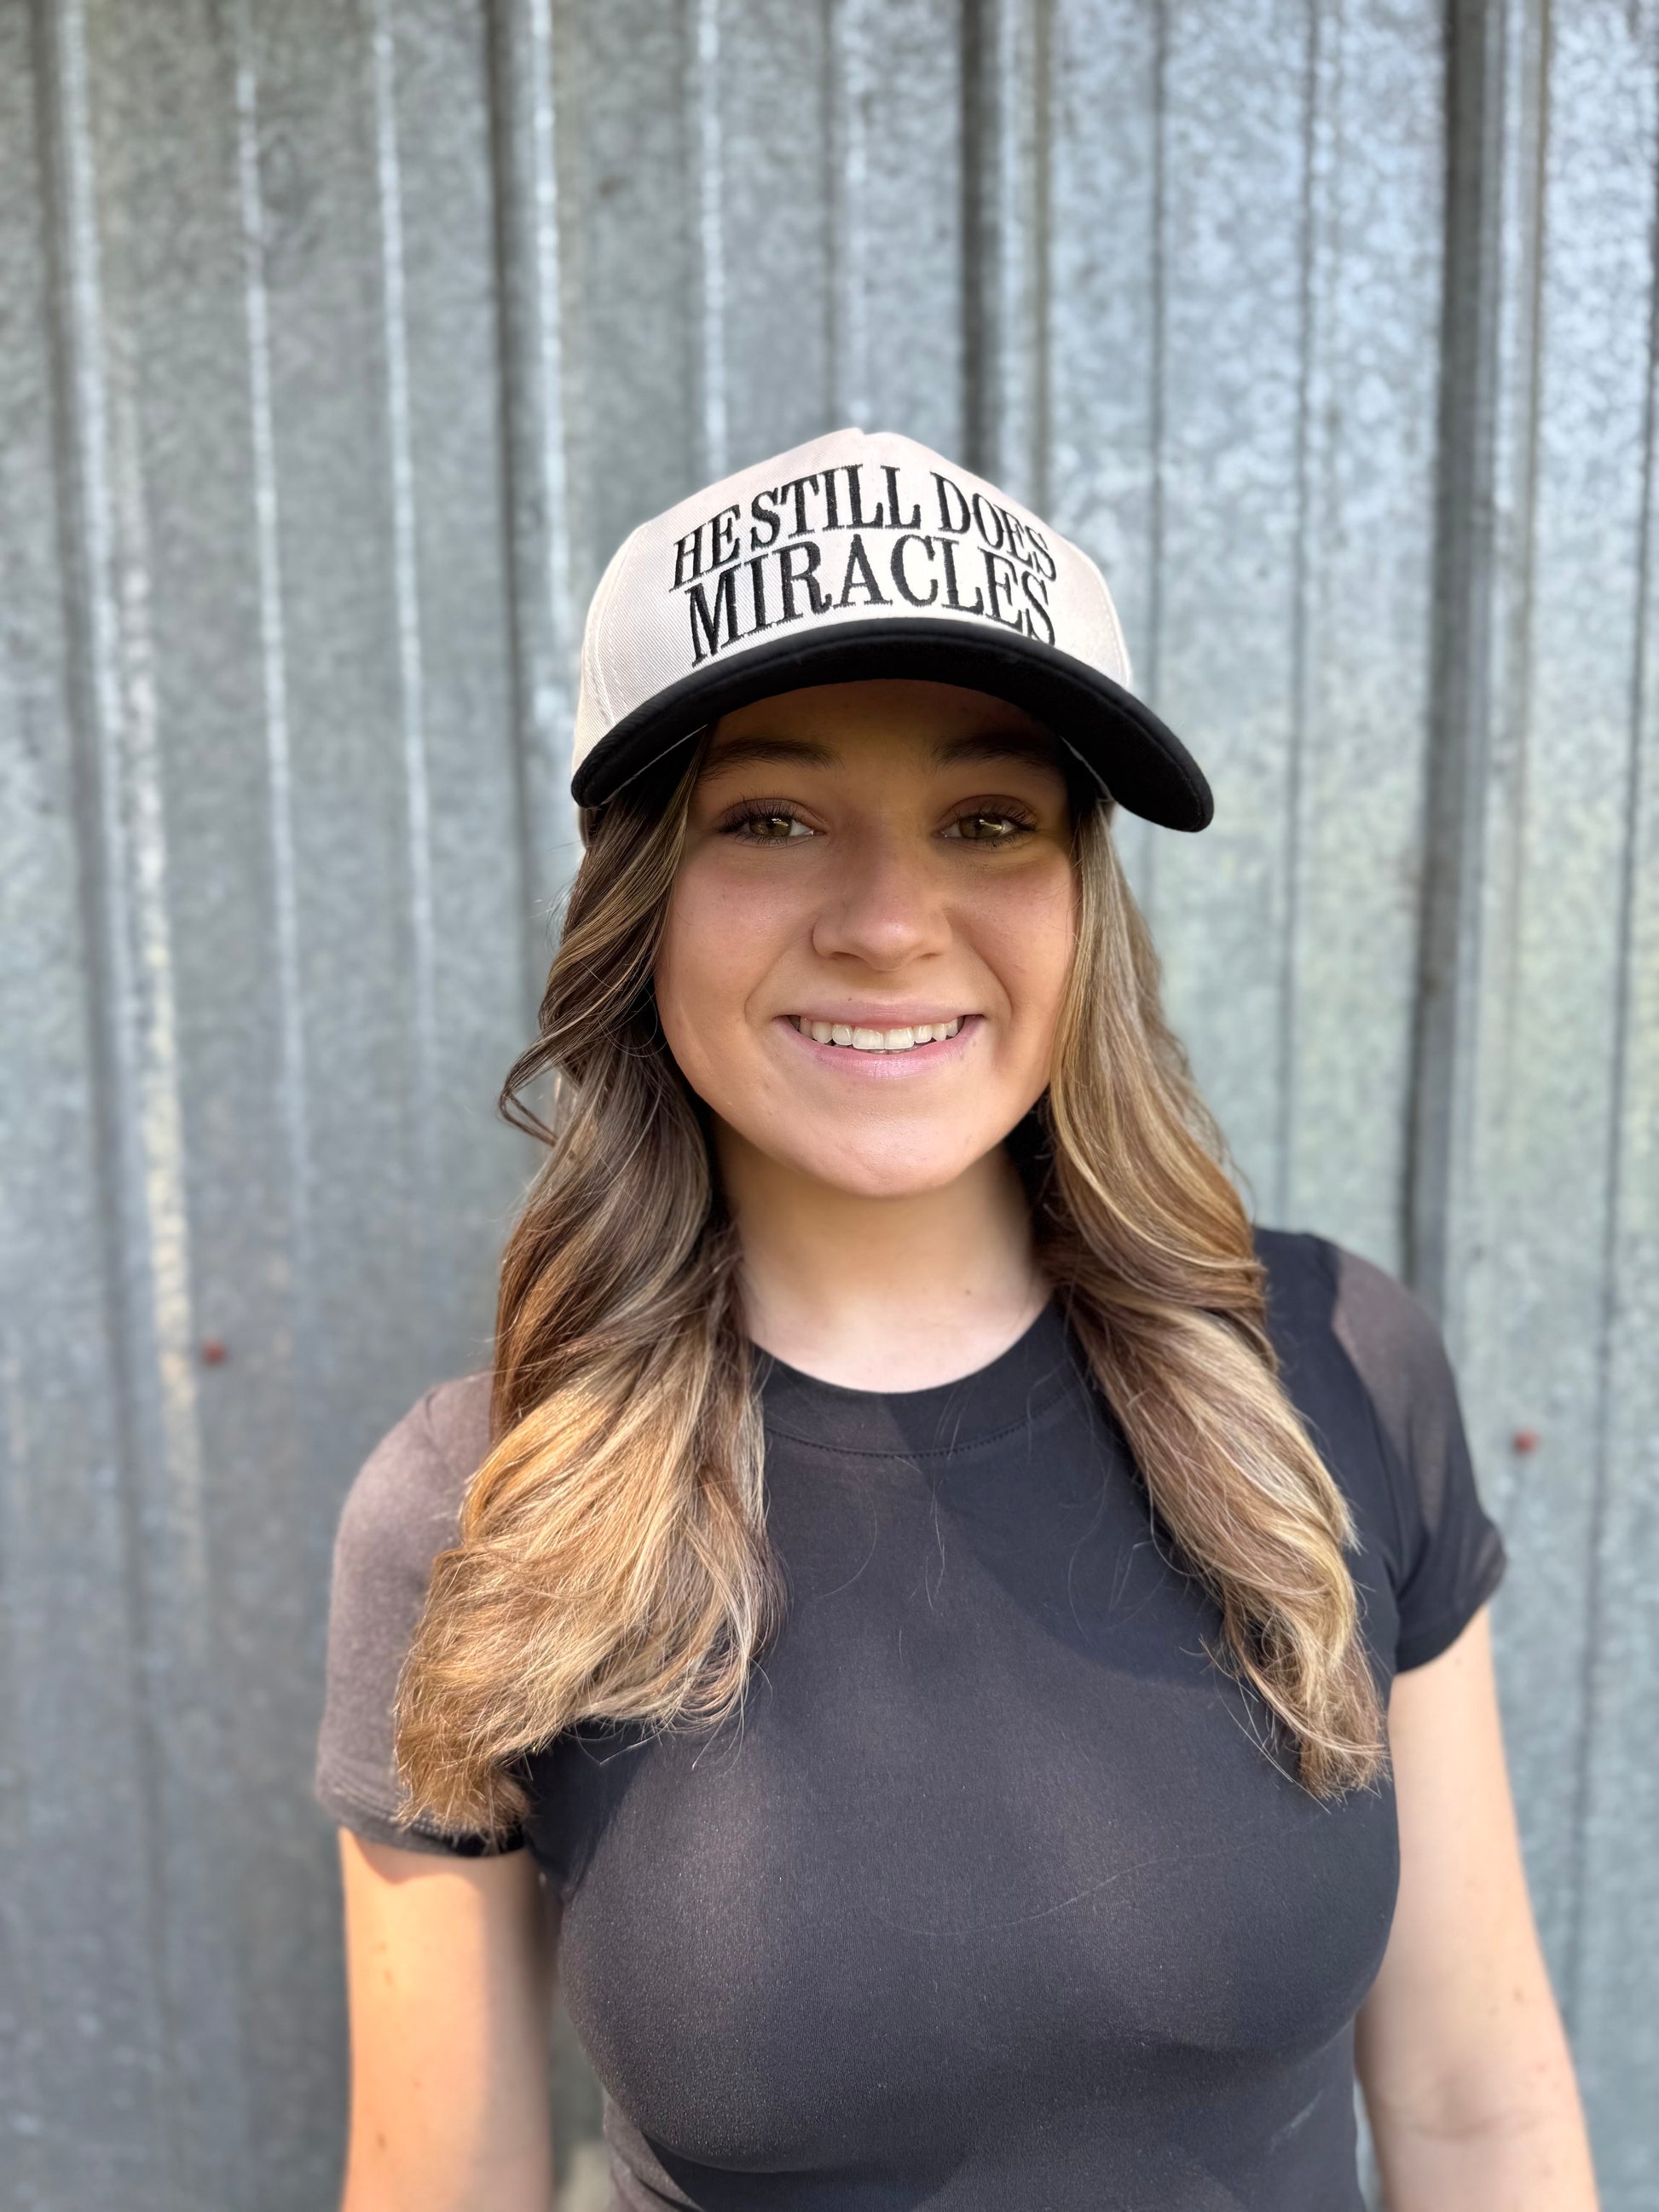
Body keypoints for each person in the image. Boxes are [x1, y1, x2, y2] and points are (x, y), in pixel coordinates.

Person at [315, 429, 1598, 2211]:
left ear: (1080, 895)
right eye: (769, 820)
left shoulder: (1333, 1372)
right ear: (638, 897)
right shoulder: (478, 1514)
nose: (888, 922)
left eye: (987, 820)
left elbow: (1474, 2107)